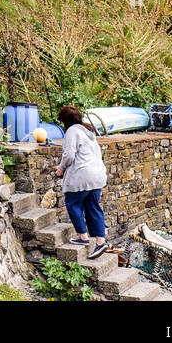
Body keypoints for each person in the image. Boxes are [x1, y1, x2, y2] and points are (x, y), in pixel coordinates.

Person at [54, 106, 108, 259]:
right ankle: (100, 242)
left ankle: (83, 237)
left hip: (83, 174)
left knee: (73, 204)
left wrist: (61, 168)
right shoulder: (89, 130)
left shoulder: (72, 131)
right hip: (97, 174)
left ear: (65, 121)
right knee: (93, 207)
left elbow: (69, 155)